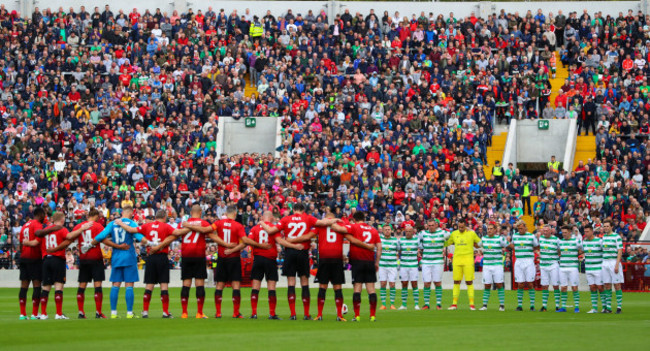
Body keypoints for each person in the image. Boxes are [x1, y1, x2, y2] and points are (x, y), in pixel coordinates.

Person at [260, 203, 338, 320]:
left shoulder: (286, 219)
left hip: (290, 252)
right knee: (304, 282)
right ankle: (306, 314)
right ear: (303, 210)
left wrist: (261, 223)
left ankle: (293, 314)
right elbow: (324, 223)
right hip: (302, 251)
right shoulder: (307, 217)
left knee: (291, 282)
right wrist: (336, 219)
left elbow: (271, 231)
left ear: (294, 210)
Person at [156, 204, 233, 319]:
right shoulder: (203, 223)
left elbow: (174, 236)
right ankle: (199, 313)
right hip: (198, 256)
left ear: (191, 212)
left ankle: (184, 313)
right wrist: (226, 244)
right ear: (200, 212)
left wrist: (159, 246)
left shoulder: (183, 223)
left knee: (186, 284)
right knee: (199, 285)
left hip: (186, 256)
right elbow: (213, 237)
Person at [82, 206, 152, 319]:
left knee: (115, 285)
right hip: (129, 257)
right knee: (129, 285)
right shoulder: (131, 223)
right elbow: (138, 236)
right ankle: (129, 313)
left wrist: (90, 245)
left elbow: (101, 236)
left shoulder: (113, 223)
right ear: (131, 213)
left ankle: (113, 313)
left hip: (116, 257)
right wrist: (150, 243)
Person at [117, 210, 188, 318]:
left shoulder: (147, 225)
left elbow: (131, 230)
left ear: (155, 216)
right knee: (164, 285)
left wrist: (120, 223)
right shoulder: (166, 226)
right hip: (162, 257)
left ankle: (145, 312)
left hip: (150, 257)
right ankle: (165, 312)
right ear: (164, 217)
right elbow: (177, 233)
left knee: (149, 285)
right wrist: (190, 227)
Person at [31, 213, 89, 319]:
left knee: (46, 288)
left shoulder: (46, 230)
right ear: (62, 220)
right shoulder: (61, 229)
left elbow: (36, 241)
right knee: (59, 286)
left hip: (46, 260)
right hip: (57, 259)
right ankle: (58, 313)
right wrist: (82, 228)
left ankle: (43, 314)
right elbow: (69, 236)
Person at [244, 211, 299, 320]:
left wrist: (259, 246)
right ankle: (272, 314)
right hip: (270, 259)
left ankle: (254, 313)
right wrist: (294, 245)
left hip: (258, 259)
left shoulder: (255, 228)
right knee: (271, 287)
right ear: (272, 218)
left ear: (262, 217)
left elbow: (248, 241)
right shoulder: (274, 228)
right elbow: (280, 241)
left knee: (255, 287)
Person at [334, 211, 380, 321]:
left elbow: (339, 229)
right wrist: (376, 262)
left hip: (357, 262)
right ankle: (372, 316)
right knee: (371, 289)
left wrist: (332, 221)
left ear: (354, 219)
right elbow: (379, 248)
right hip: (369, 261)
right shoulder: (373, 230)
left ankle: (357, 316)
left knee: (357, 288)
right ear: (364, 219)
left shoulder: (353, 227)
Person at [66, 209, 106, 319]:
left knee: (82, 285)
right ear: (96, 216)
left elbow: (70, 237)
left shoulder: (79, 226)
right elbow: (104, 239)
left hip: (84, 259)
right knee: (97, 286)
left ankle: (81, 312)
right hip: (96, 259)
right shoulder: (98, 226)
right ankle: (98, 313)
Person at [17, 208, 57, 320]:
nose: (45, 217)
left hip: (24, 258)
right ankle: (34, 314)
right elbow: (36, 242)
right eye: (44, 215)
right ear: (40, 215)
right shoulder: (38, 224)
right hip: (35, 258)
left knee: (24, 286)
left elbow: (21, 243)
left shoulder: (25, 225)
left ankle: (22, 314)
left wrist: (24, 251)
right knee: (36, 285)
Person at [210, 205, 248, 319]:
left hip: (222, 257)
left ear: (226, 213)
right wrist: (232, 249)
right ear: (235, 214)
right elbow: (244, 243)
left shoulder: (219, 223)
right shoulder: (238, 225)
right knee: (235, 285)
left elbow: (210, 233)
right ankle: (236, 312)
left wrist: (223, 245)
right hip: (234, 258)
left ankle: (218, 312)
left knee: (219, 285)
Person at [445, 217, 481, 310]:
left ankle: (472, 305)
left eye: (462, 227)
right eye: (459, 227)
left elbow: (480, 243)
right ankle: (454, 304)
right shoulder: (454, 234)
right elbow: (447, 243)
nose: (460, 228)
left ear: (465, 225)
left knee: (469, 282)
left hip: (468, 260)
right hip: (457, 260)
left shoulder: (471, 233)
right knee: (456, 281)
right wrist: (440, 240)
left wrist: (478, 245)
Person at [418, 218, 450, 310]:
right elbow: (416, 241)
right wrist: (419, 250)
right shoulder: (423, 234)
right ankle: (426, 304)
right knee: (426, 283)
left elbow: (453, 236)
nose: (431, 227)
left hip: (438, 262)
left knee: (437, 282)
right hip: (426, 262)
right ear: (427, 225)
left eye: (433, 225)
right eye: (429, 225)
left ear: (436, 225)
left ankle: (438, 304)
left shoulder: (442, 233)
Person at [509, 220, 539, 311]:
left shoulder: (531, 236)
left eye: (521, 228)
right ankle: (519, 305)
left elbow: (537, 246)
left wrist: (529, 249)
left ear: (525, 227)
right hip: (519, 261)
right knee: (520, 284)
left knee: (530, 283)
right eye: (519, 228)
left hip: (529, 261)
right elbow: (513, 245)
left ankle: (532, 305)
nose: (520, 230)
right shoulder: (515, 236)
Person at [479, 222, 508, 311]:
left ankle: (502, 305)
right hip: (487, 266)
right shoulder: (483, 239)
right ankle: (484, 305)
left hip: (497, 265)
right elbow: (477, 245)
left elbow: (509, 245)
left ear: (495, 230)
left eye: (491, 229)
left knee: (499, 284)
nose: (489, 230)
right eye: (488, 229)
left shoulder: (500, 239)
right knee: (487, 285)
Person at [558, 225, 583, 312]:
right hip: (562, 267)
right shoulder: (560, 242)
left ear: (569, 232)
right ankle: (563, 307)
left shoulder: (576, 241)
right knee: (563, 287)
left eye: (565, 232)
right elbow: (558, 251)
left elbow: (582, 250)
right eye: (563, 232)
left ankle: (576, 307)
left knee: (574, 287)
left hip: (573, 267)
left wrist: (578, 255)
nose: (564, 234)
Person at [601, 219, 624, 313]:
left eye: (607, 226)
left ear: (611, 227)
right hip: (605, 262)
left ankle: (619, 307)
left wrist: (617, 264)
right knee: (607, 284)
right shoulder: (604, 237)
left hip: (614, 261)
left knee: (617, 285)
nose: (606, 228)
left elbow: (620, 251)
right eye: (604, 226)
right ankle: (608, 307)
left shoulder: (617, 237)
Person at [538, 225, 561, 312]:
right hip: (543, 265)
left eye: (547, 231)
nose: (545, 232)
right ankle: (544, 306)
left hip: (553, 264)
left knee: (555, 285)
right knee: (544, 286)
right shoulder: (541, 238)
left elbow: (560, 250)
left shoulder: (556, 240)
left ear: (551, 231)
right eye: (544, 231)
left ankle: (557, 306)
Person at [582, 226, 604, 314]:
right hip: (589, 268)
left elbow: (604, 252)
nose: (585, 233)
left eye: (587, 231)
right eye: (585, 232)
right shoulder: (585, 242)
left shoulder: (599, 241)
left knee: (600, 287)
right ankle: (594, 308)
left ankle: (604, 306)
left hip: (598, 267)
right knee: (592, 287)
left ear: (592, 231)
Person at [398, 224, 420, 310]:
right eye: (406, 231)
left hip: (413, 266)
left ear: (413, 232)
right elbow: (399, 250)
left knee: (414, 284)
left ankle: (416, 304)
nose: (407, 233)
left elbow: (421, 248)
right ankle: (403, 304)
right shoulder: (401, 240)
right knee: (404, 284)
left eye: (409, 231)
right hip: (403, 266)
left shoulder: (417, 240)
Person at [378, 224, 399, 310]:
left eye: (388, 229)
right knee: (383, 284)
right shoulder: (380, 240)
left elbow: (399, 251)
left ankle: (392, 304)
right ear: (382, 231)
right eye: (385, 229)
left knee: (392, 284)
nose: (387, 231)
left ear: (391, 231)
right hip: (382, 265)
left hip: (392, 266)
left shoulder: (395, 240)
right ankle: (383, 304)